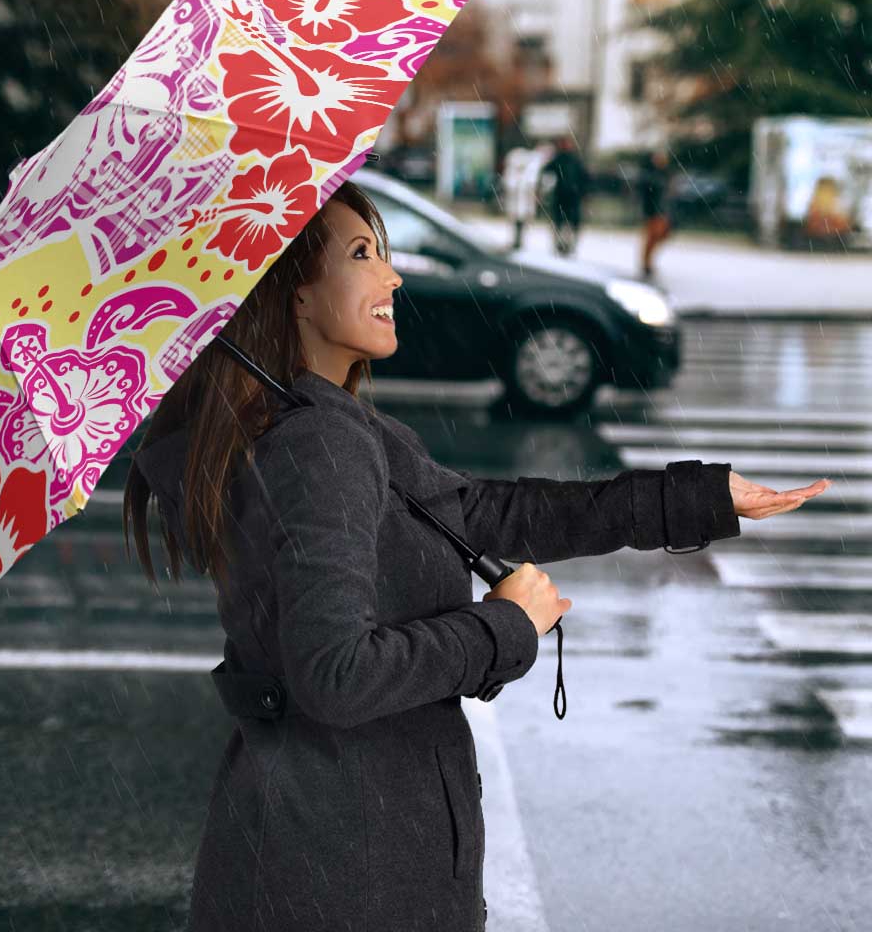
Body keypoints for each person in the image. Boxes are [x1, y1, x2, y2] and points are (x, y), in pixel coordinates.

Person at [124, 179, 830, 932]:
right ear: (294, 294)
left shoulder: (326, 427)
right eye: (362, 254)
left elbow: (490, 513)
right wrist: (503, 627)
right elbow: (335, 675)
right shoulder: (317, 444)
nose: (392, 276)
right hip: (345, 869)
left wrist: (697, 498)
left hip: (325, 851)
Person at [540, 134, 590, 257]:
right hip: (563, 196)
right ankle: (561, 245)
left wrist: (583, 192)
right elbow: (546, 172)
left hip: (571, 196)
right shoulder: (560, 159)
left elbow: (584, 178)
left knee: (568, 223)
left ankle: (567, 245)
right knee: (561, 222)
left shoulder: (573, 160)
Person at [638, 147, 674, 278]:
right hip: (653, 211)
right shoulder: (650, 175)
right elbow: (647, 194)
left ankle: (647, 262)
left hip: (662, 211)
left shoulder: (665, 174)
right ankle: (646, 263)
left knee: (660, 236)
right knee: (652, 237)